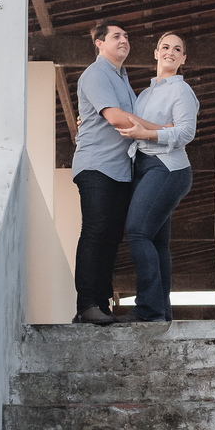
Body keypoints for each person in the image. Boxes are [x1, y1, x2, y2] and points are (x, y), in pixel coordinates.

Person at [114, 32, 199, 322]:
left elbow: (186, 132)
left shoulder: (182, 91)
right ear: (156, 53)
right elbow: (127, 124)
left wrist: (150, 132)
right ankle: (161, 311)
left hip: (168, 168)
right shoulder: (144, 94)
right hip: (143, 166)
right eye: (165, 47)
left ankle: (148, 309)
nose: (170, 52)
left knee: (137, 231)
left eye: (178, 49)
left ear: (183, 59)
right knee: (156, 242)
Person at [70, 22, 140, 326]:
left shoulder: (122, 78)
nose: (124, 40)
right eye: (116, 36)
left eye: (126, 36)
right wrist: (163, 130)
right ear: (99, 43)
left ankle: (101, 304)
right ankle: (87, 305)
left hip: (119, 171)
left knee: (110, 238)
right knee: (96, 231)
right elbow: (115, 118)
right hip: (96, 166)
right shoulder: (96, 74)